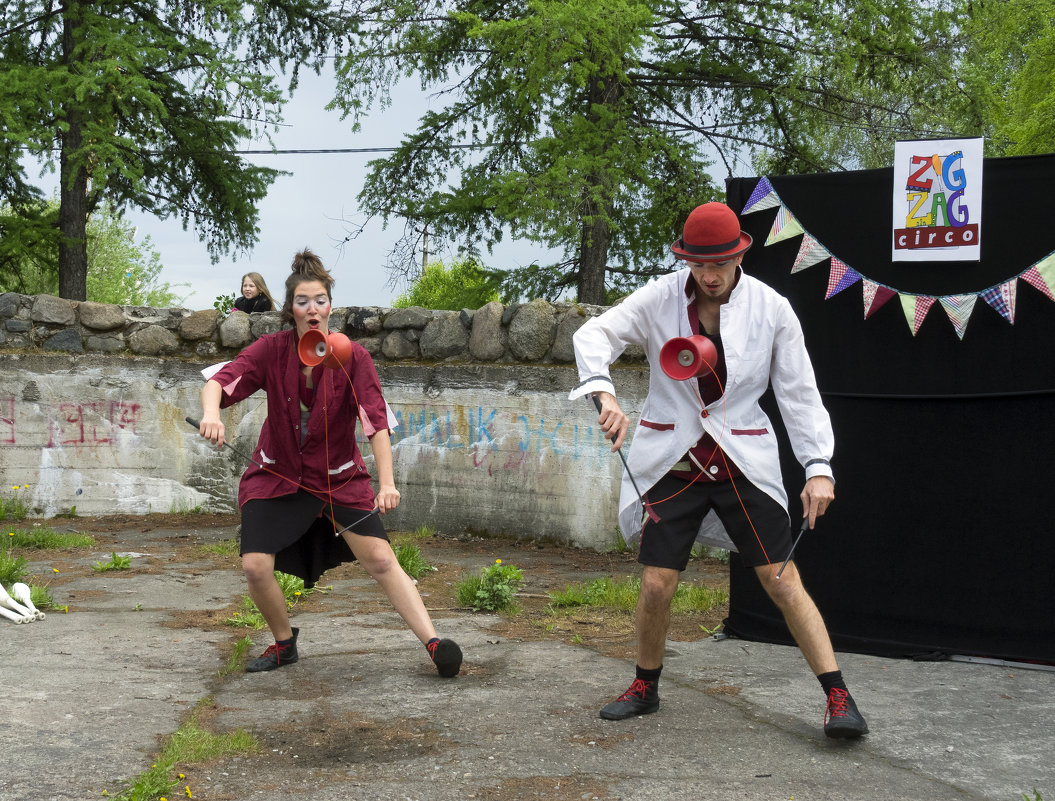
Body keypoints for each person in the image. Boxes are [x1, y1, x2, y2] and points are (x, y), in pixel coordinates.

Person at [569, 202, 868, 738]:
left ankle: (839, 697)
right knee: (658, 583)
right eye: (697, 264)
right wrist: (604, 393)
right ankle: (645, 686)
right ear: (684, 258)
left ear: (738, 256)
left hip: (740, 458)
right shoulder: (659, 297)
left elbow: (798, 392)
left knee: (781, 580)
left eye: (719, 265)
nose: (708, 276)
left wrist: (818, 465)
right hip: (672, 456)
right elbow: (593, 336)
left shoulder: (771, 309)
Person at [196, 250, 461, 677]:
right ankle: (284, 644)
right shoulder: (271, 350)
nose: (313, 309)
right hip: (275, 473)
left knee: (379, 559)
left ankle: (434, 643)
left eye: (320, 300)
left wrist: (387, 483)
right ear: (291, 309)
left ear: (330, 307)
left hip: (338, 478)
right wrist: (212, 414)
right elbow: (219, 383)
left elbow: (375, 420)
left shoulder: (352, 356)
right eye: (303, 301)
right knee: (255, 565)